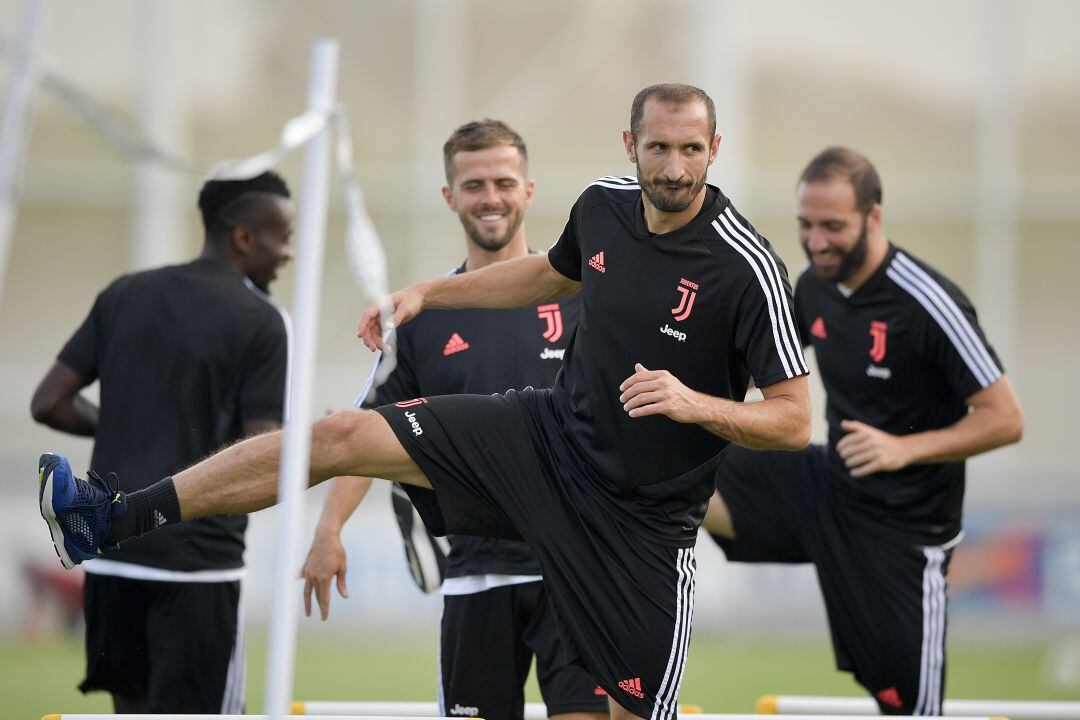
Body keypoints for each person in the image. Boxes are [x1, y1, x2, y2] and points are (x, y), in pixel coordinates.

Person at [38, 83, 811, 720]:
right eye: (658, 146)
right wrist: (424, 293)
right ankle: (111, 517)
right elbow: (548, 274)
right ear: (630, 144)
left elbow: (793, 418)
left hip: (639, 526)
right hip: (547, 442)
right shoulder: (602, 205)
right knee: (342, 431)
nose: (673, 166)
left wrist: (694, 401)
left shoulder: (748, 267)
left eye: (690, 149)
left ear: (715, 151)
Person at [300, 119, 606, 720]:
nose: (490, 197)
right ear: (450, 197)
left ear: (529, 190)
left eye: (503, 181)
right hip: (475, 574)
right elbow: (367, 433)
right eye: (473, 185)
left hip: (575, 570)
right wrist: (329, 528)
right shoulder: (421, 317)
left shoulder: (579, 295)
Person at [703, 147, 1024, 716]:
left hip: (907, 530)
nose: (816, 240)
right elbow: (766, 366)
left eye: (833, 226)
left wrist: (904, 448)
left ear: (874, 218)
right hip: (831, 484)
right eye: (805, 225)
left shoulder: (929, 303)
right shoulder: (814, 283)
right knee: (679, 460)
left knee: (905, 706)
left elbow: (1006, 418)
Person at [31, 171, 294, 714]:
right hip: (197, 568)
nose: (288, 252)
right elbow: (262, 453)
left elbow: (49, 402)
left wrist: (128, 426)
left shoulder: (125, 292)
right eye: (282, 236)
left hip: (111, 565)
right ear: (244, 238)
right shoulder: (263, 321)